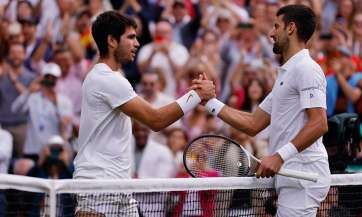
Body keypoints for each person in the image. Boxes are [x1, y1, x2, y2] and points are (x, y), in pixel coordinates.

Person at [73, 11, 215, 217]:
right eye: (130, 37)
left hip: (120, 184)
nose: (137, 43)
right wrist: (196, 95)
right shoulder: (107, 79)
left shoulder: (111, 77)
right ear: (111, 41)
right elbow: (156, 120)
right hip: (98, 185)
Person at [196, 5, 330, 217]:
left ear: (291, 28)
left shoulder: (307, 68)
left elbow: (319, 123)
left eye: (276, 26)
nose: (271, 33)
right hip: (293, 178)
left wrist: (278, 156)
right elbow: (253, 123)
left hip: (303, 177)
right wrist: (211, 102)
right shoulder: (287, 74)